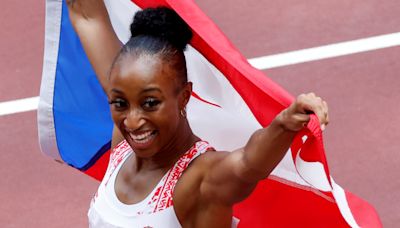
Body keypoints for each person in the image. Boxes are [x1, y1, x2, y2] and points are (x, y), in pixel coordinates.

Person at [67, 1, 329, 227]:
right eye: (120, 103)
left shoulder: (199, 179)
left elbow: (248, 164)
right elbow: (88, 15)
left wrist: (284, 124)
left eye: (150, 103)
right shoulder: (124, 143)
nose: (132, 121)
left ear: (184, 96)